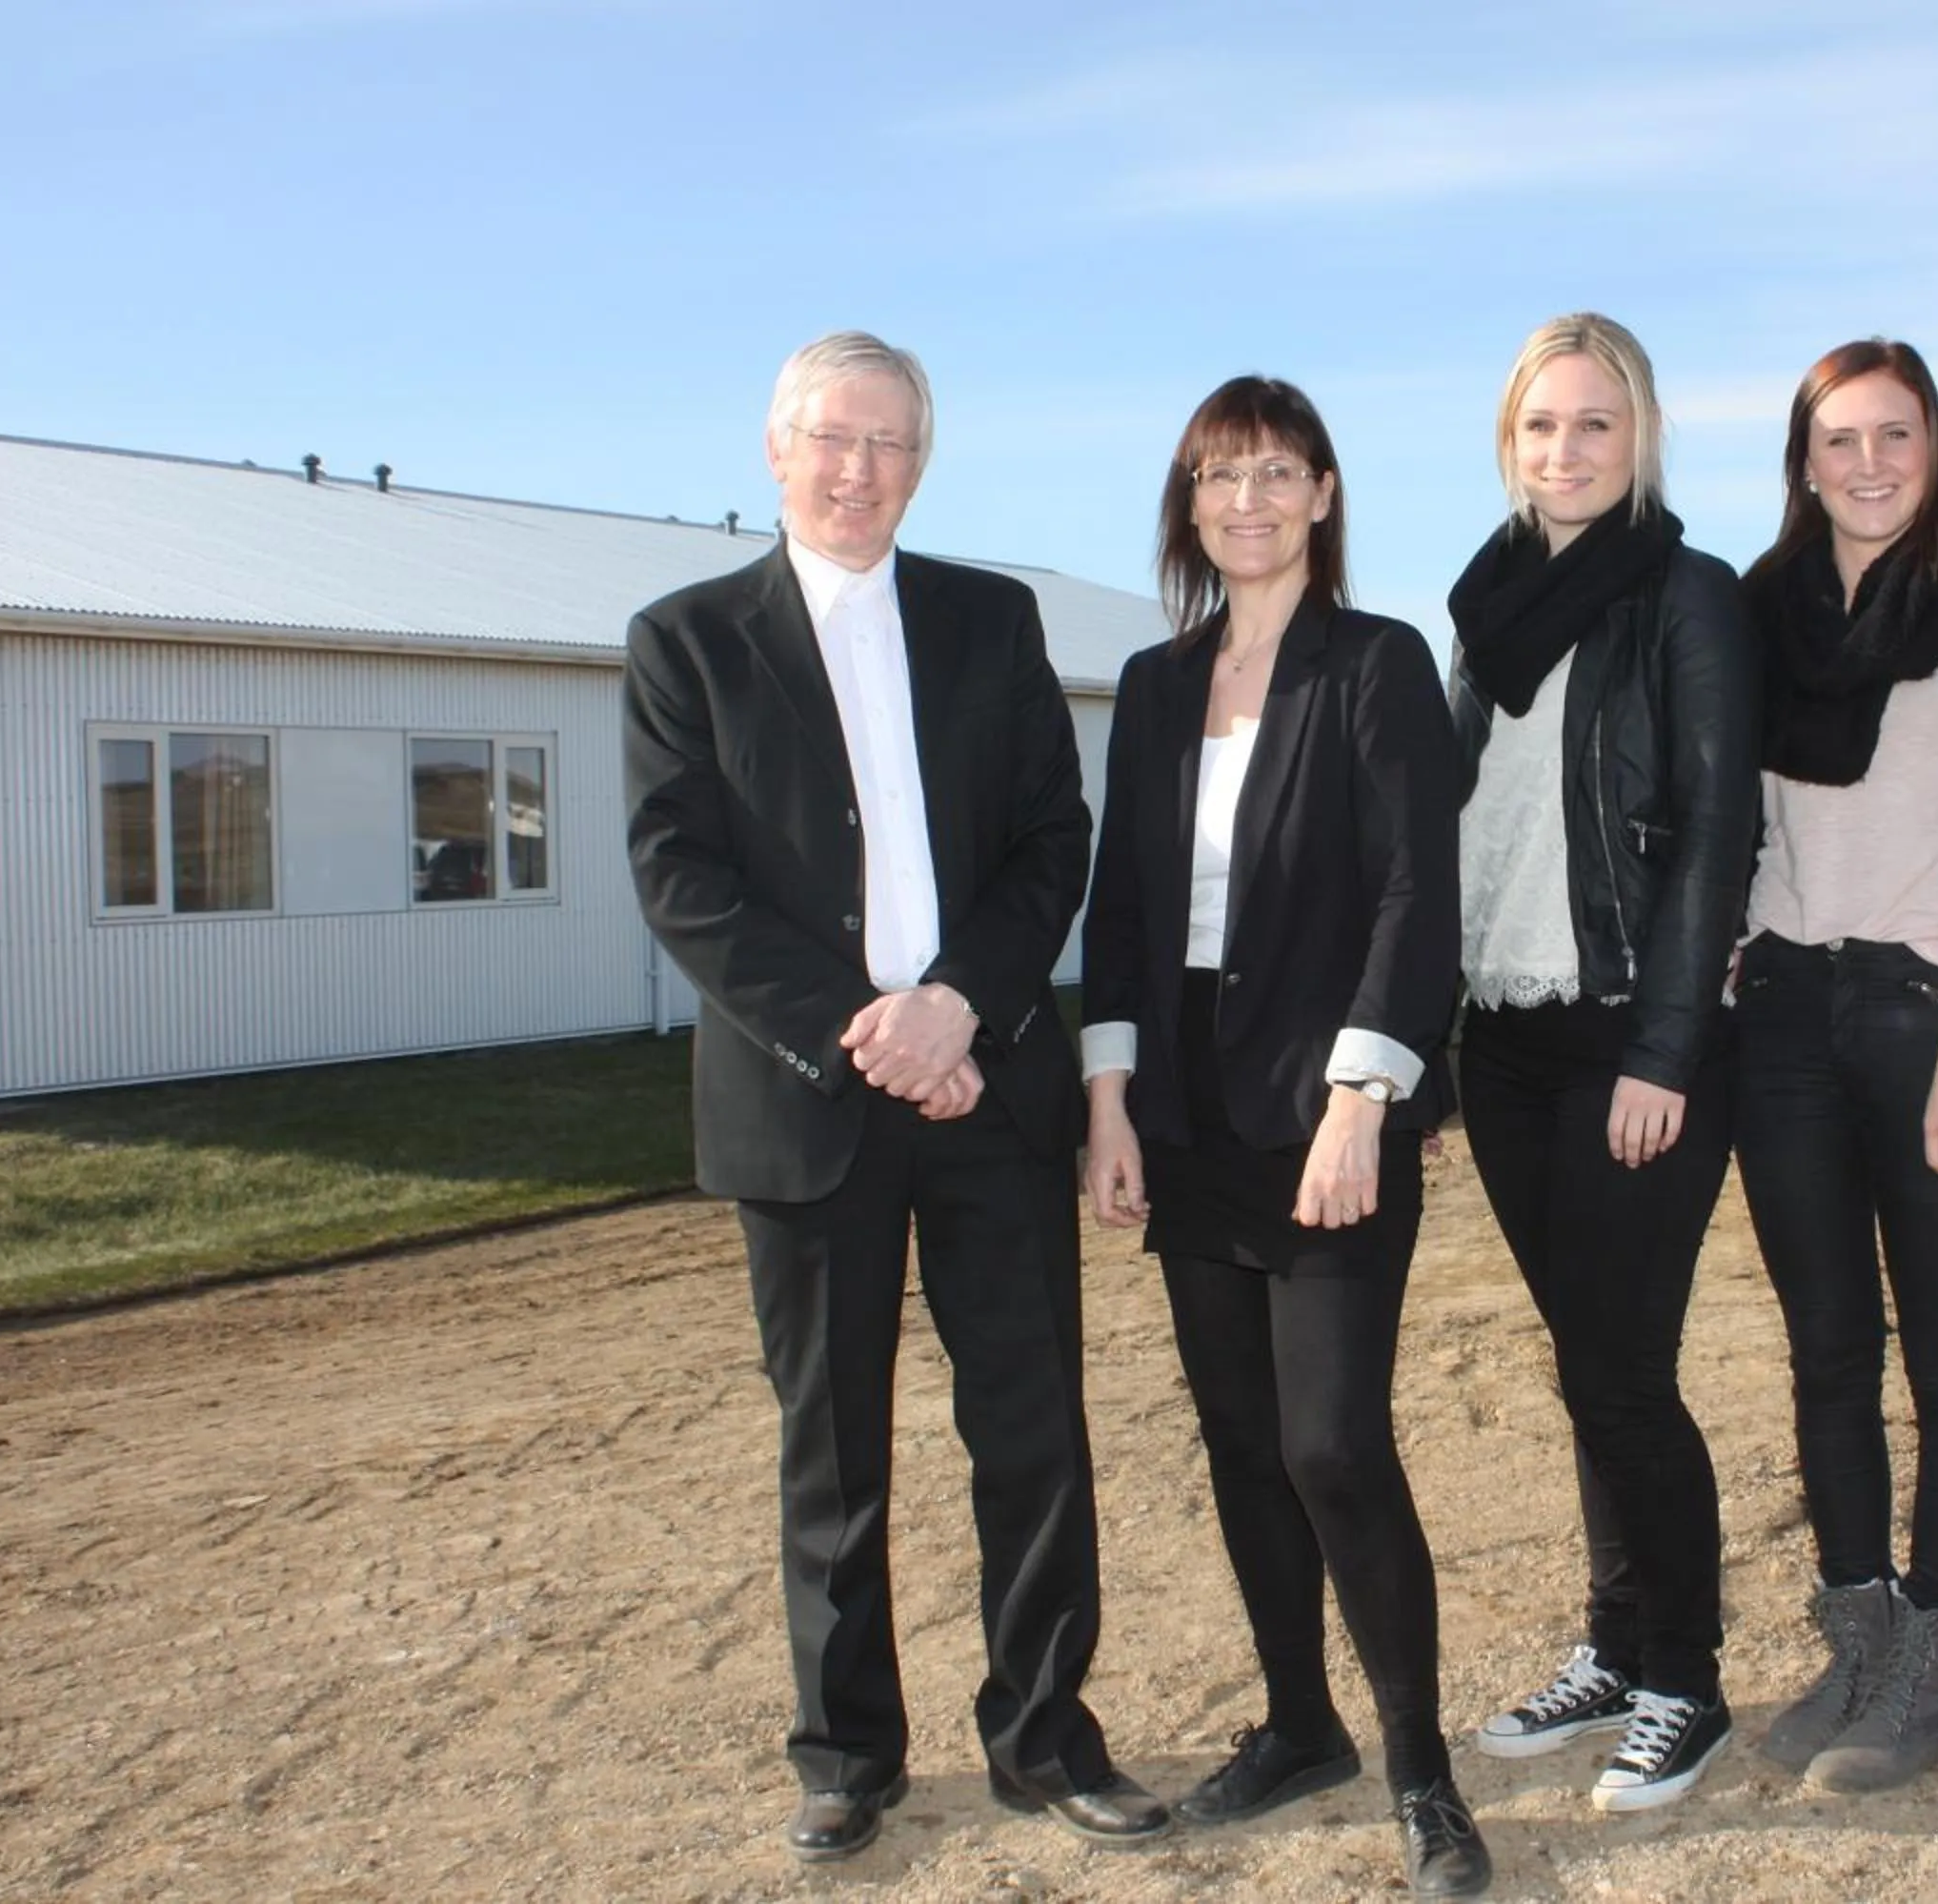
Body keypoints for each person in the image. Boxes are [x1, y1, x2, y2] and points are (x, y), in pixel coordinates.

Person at [621, 330, 1167, 1863]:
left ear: (922, 462)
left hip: (989, 1089)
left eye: (891, 444)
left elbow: (1053, 841)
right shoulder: (686, 644)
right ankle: (846, 1753)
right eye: (833, 438)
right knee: (833, 1445)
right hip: (808, 1105)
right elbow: (683, 882)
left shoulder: (994, 623)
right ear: (777, 448)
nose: (860, 469)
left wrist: (957, 1010)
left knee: (1033, 1430)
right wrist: (869, 1031)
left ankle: (1046, 1736)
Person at [1078, 375, 1490, 1898]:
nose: (1244, 500)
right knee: (1243, 1443)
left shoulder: (1378, 666)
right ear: (1189, 506)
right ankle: (1299, 1723)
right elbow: (1121, 908)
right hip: (1185, 1111)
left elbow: (1412, 897)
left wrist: (1363, 1095)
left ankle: (1423, 1775)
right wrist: (1110, 1098)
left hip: (1330, 1116)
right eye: (1215, 477)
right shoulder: (1155, 681)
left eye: (1273, 473)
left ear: (1322, 493)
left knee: (1332, 1443)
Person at [1730, 337, 1938, 1794]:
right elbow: (1722, 805)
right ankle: (1855, 1639)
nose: (1866, 465)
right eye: (1839, 439)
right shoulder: (1759, 610)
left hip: (1933, 1013)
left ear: (1935, 450)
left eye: (1895, 437)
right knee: (1823, 1352)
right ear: (1804, 459)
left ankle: (1929, 1670)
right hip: (1787, 1020)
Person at [1448, 313, 1761, 1813]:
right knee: (1587, 1369)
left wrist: (1668, 1043)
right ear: (1507, 444)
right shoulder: (1490, 607)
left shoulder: (1686, 594)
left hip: (1635, 1034)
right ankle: (1622, 1639)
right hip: (1505, 1039)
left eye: (1594, 425)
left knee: (1625, 1368)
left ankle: (1688, 1680)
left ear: (1639, 441)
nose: (1563, 452)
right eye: (1540, 427)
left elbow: (1714, 828)